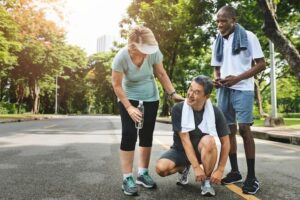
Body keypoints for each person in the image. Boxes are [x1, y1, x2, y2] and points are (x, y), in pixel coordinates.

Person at [111, 25, 184, 196]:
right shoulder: (121, 57)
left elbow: (161, 73)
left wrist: (172, 93)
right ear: (133, 46)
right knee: (129, 134)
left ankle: (142, 173)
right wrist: (129, 107)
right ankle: (127, 178)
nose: (147, 53)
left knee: (146, 134)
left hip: (150, 96)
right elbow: (116, 84)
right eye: (143, 49)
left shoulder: (153, 53)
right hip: (128, 96)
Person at [211, 5, 266, 195]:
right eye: (217, 21)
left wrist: (238, 78)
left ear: (233, 20)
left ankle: (252, 177)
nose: (219, 24)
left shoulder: (249, 36)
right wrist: (217, 79)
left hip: (243, 88)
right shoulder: (218, 40)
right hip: (224, 90)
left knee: (244, 129)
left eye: (223, 20)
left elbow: (261, 64)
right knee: (228, 131)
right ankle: (235, 172)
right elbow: (217, 67)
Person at [155, 75, 230, 197]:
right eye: (190, 89)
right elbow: (185, 141)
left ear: (206, 97)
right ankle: (185, 167)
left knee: (209, 140)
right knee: (161, 169)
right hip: (181, 150)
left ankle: (206, 180)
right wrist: (195, 167)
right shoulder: (178, 109)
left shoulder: (215, 112)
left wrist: (220, 169)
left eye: (197, 92)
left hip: (202, 151)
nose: (190, 94)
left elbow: (226, 142)